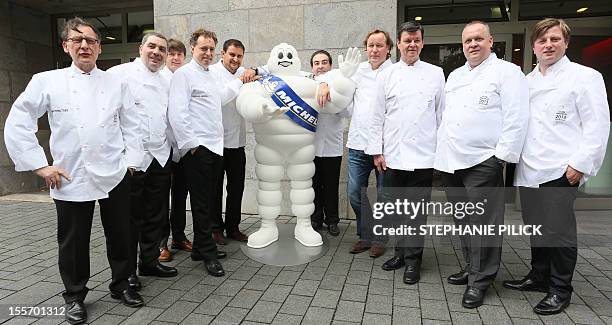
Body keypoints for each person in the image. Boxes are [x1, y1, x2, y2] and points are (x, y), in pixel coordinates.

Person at [3, 17, 145, 324]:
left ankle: (123, 284)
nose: (85, 46)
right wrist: (40, 165)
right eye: (77, 40)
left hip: (115, 171)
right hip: (70, 175)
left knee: (121, 234)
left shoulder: (116, 82)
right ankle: (75, 295)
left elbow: (133, 123)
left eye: (91, 41)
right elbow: (18, 120)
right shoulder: (47, 81)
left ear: (98, 47)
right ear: (66, 46)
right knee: (73, 241)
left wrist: (131, 162)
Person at [504, 18, 610, 315]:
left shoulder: (585, 77)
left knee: (559, 233)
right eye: (542, 40)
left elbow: (597, 126)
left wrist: (579, 165)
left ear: (566, 42)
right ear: (534, 46)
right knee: (536, 228)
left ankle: (560, 289)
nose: (548, 45)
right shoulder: (527, 81)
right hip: (529, 169)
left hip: (560, 170)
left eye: (554, 39)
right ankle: (538, 276)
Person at [434, 21, 529, 308]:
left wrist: (500, 157)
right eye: (467, 41)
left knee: (484, 225)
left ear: (491, 41)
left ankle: (480, 280)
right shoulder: (456, 76)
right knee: (464, 221)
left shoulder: (508, 73)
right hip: (452, 161)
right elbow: (448, 117)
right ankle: (471, 267)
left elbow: (517, 118)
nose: (472, 44)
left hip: (483, 161)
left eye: (478, 39)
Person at [366, 21, 445, 284]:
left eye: (416, 40)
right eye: (407, 40)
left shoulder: (436, 73)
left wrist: (440, 154)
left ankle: (413, 261)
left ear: (422, 43)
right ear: (398, 44)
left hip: (423, 157)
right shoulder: (386, 75)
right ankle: (400, 253)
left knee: (416, 212)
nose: (412, 45)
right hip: (393, 157)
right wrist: (377, 151)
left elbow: (441, 115)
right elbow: (376, 117)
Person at [168, 28, 246, 276]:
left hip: (216, 147)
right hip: (198, 149)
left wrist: (241, 81)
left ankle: (199, 249)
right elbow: (177, 113)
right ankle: (208, 254)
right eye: (204, 48)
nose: (208, 53)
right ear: (193, 48)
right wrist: (191, 145)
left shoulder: (211, 75)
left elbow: (221, 97)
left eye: (211, 49)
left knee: (209, 199)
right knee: (202, 204)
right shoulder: (184, 75)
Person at [107, 32, 178, 290]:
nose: (157, 52)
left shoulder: (169, 78)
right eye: (152, 46)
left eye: (162, 48)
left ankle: (149, 261)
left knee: (156, 216)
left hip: (160, 155)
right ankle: (126, 273)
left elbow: (172, 115)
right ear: (140, 48)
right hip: (132, 159)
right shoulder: (119, 74)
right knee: (129, 219)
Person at [347, 29, 394, 258]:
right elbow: (340, 85)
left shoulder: (394, 72)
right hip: (357, 143)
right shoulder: (358, 71)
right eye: (371, 46)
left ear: (388, 49)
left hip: (384, 148)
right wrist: (326, 85)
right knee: (355, 192)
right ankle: (365, 234)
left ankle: (378, 237)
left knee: (384, 195)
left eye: (379, 45)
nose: (374, 50)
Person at [209, 39, 250, 245]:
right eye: (231, 54)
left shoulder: (244, 71)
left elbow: (266, 71)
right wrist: (241, 81)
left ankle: (233, 227)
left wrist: (253, 70)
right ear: (222, 54)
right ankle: (215, 229)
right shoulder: (211, 72)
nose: (235, 59)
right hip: (216, 142)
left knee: (236, 188)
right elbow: (220, 98)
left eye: (239, 56)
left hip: (238, 142)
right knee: (215, 189)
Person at [158, 38, 192, 263]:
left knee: (180, 196)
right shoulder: (159, 80)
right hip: (163, 148)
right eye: (171, 53)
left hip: (183, 150)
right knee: (161, 199)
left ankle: (178, 237)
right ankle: (161, 244)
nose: (175, 57)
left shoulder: (187, 78)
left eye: (179, 54)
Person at [309, 49, 344, 237]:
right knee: (314, 184)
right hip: (311, 146)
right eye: (316, 63)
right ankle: (315, 218)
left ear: (330, 65)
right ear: (312, 67)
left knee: (331, 185)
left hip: (332, 145)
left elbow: (346, 111)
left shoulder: (339, 85)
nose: (320, 66)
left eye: (324, 62)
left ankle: (332, 220)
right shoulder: (307, 84)